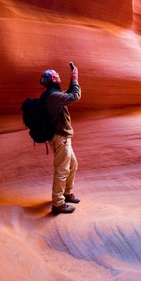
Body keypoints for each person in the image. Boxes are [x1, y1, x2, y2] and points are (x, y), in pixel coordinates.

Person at [40, 62, 81, 214]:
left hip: (62, 137)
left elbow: (68, 95)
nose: (58, 76)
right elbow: (75, 96)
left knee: (72, 165)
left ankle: (66, 193)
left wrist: (72, 80)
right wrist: (75, 79)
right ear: (51, 80)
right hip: (60, 138)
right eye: (55, 75)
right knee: (62, 169)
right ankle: (58, 203)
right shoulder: (54, 97)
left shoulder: (52, 95)